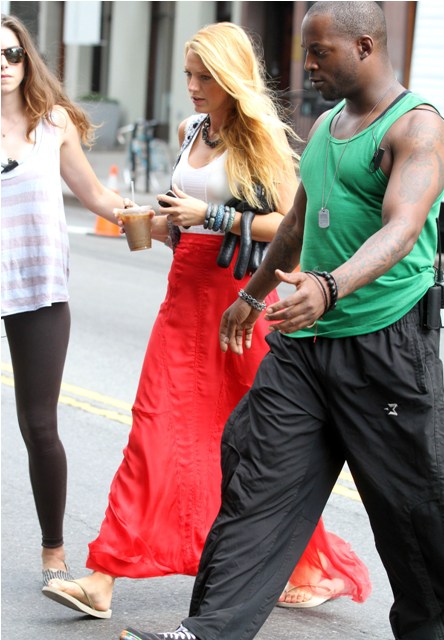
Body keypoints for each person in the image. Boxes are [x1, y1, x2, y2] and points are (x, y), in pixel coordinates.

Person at [118, 3, 444, 640]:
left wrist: (329, 285)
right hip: (305, 347)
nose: (308, 64)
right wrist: (252, 294)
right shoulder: (325, 125)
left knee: (415, 511)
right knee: (256, 482)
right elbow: (294, 226)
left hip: (386, 349)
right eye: (306, 51)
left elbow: (402, 230)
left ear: (366, 46)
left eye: (320, 52)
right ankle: (207, 631)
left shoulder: (417, 127)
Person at [42, 21, 370, 619]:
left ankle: (307, 562)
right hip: (182, 295)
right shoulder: (193, 129)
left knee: (258, 446)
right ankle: (103, 574)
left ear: (230, 79)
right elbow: (185, 218)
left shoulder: (262, 138)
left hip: (240, 301)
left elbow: (289, 224)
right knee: (153, 426)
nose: (192, 87)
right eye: (188, 75)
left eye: (204, 77)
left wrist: (213, 216)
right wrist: (156, 223)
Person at [1, 14, 133, 587]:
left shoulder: (52, 124)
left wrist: (148, 218)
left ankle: (53, 552)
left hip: (38, 287)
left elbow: (96, 194)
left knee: (40, 425)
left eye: (12, 54)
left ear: (26, 59)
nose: (4, 65)